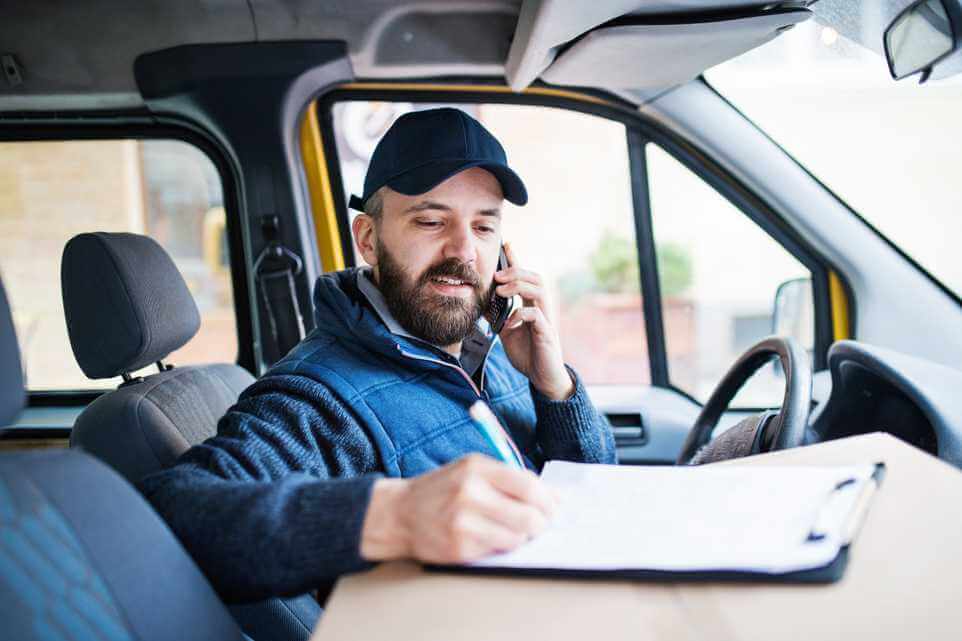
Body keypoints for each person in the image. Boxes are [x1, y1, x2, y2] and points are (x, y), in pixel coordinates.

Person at [139, 107, 615, 602]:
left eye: (483, 227)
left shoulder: (500, 351)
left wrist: (553, 386)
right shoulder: (318, 396)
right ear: (368, 239)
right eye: (431, 221)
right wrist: (394, 515)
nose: (463, 251)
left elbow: (597, 491)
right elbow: (168, 515)